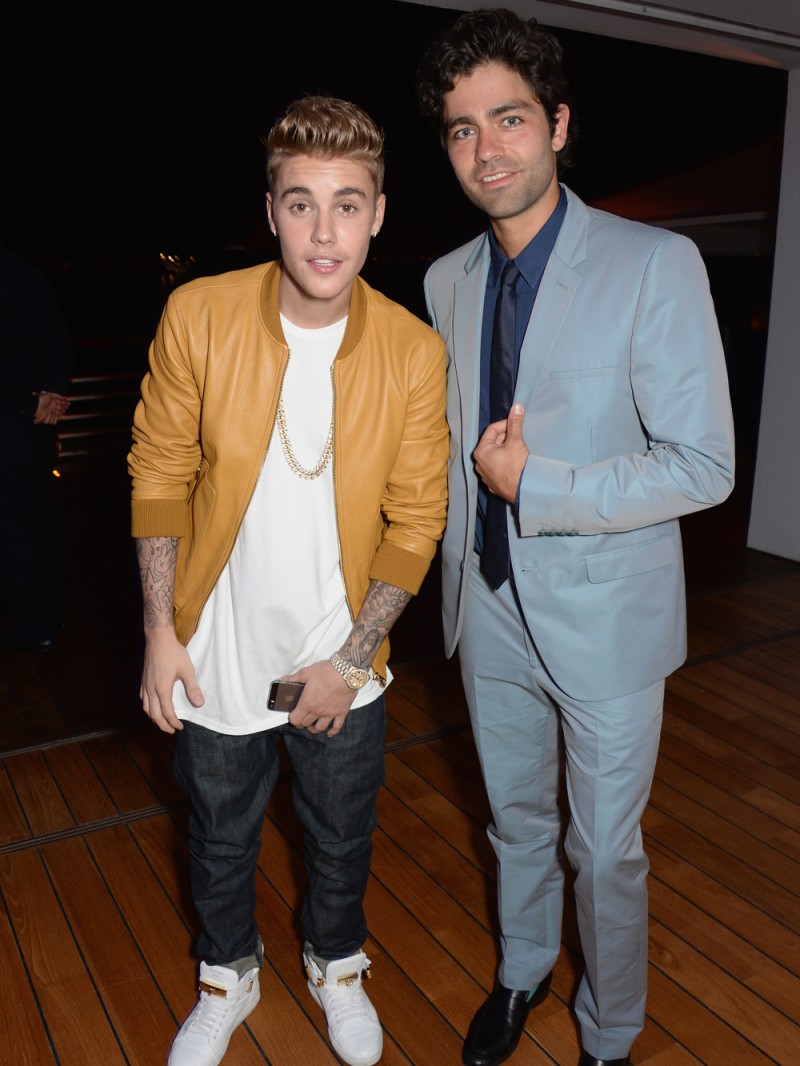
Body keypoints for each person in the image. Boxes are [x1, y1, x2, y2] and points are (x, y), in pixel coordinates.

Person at [417, 10, 735, 1066]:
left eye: (507, 119)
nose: (486, 149)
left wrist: (533, 483)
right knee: (512, 820)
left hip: (604, 615)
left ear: (556, 124)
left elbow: (701, 463)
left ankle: (607, 1033)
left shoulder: (655, 262)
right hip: (486, 605)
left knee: (602, 854)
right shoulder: (441, 280)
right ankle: (520, 972)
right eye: (461, 130)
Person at [128, 96, 448, 1066]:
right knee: (219, 834)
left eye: (346, 204)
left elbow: (417, 516)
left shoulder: (411, 351)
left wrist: (350, 662)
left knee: (340, 831)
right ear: (270, 210)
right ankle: (229, 972)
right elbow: (157, 472)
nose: (323, 229)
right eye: (300, 202)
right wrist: (158, 627)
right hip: (218, 647)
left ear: (377, 213)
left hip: (339, 653)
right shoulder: (200, 314)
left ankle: (335, 963)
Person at [0, 243, 71, 651]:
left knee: (11, 528)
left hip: (11, 419)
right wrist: (53, 394)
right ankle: (55, 613)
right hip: (36, 424)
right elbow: (57, 339)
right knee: (40, 518)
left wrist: (31, 401)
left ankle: (33, 623)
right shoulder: (29, 274)